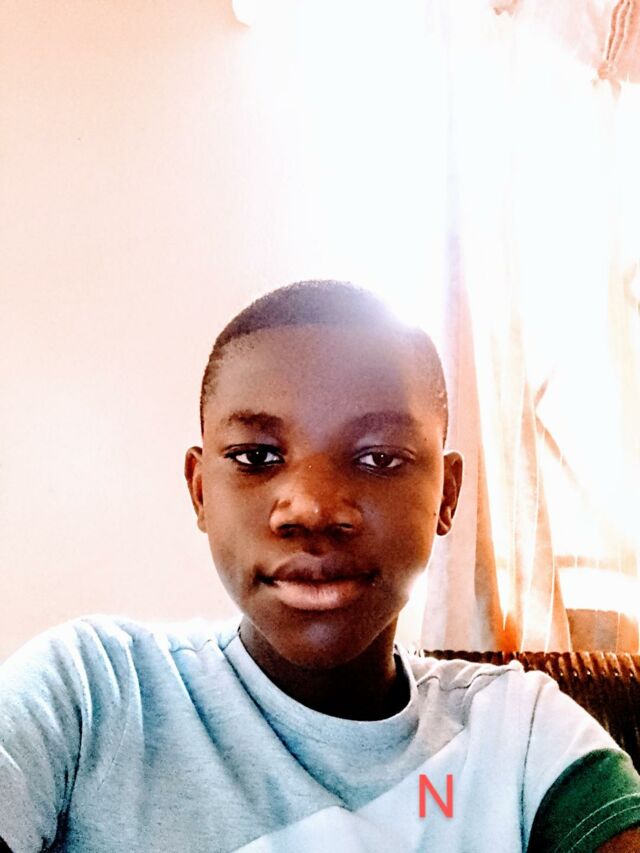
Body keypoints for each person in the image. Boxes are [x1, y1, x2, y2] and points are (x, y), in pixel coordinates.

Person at [1, 280, 639, 852]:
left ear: (447, 496)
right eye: (256, 457)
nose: (309, 509)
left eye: (379, 458)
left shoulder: (522, 737)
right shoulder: (91, 694)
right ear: (200, 492)